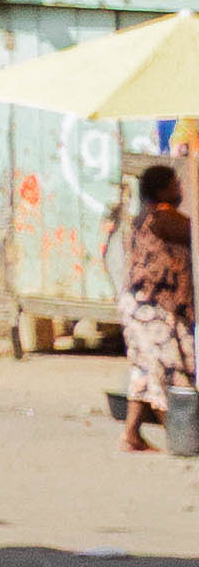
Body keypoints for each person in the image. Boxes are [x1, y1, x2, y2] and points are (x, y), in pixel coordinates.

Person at [118, 148, 196, 454]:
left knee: (145, 368)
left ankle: (131, 435)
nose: (181, 189)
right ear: (162, 189)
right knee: (169, 368)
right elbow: (194, 231)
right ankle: (182, 438)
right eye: (176, 184)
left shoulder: (145, 219)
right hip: (153, 309)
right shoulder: (163, 219)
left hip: (146, 307)